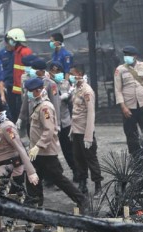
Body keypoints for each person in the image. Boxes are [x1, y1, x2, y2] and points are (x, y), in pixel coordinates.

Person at [23, 78, 88, 211]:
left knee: (58, 178)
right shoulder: (38, 103)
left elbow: (49, 130)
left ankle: (81, 199)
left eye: (29, 92)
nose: (28, 94)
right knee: (32, 175)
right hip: (38, 151)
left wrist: (38, 146)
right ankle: (35, 201)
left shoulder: (45, 107)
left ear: (37, 91)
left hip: (46, 151)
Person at [0, 98, 39, 194]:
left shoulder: (7, 127)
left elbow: (20, 148)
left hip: (13, 173)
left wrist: (31, 172)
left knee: (15, 200)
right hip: (3, 172)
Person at [114, 45, 143, 154]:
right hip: (128, 106)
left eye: (129, 55)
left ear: (135, 56)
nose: (127, 57)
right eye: (125, 55)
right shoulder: (120, 70)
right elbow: (117, 90)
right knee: (131, 134)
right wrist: (123, 107)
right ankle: (136, 157)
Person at [70, 65, 103, 195]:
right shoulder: (76, 89)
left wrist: (88, 136)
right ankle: (83, 184)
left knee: (91, 159)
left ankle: (98, 185)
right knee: (78, 158)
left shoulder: (87, 91)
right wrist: (72, 130)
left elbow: (91, 113)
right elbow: (75, 112)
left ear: (79, 73)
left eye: (72, 73)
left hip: (85, 131)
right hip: (76, 130)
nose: (70, 76)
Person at [49, 61, 78, 186]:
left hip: (65, 121)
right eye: (54, 71)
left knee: (68, 149)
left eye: (59, 71)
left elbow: (73, 100)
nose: (56, 73)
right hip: (51, 123)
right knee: (51, 151)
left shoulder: (65, 84)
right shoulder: (47, 84)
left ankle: (76, 171)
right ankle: (52, 177)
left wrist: (68, 97)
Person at [6, 28, 33, 121]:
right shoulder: (17, 52)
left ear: (15, 40)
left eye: (10, 40)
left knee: (23, 112)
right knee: (17, 111)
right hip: (17, 88)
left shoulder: (25, 52)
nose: (9, 42)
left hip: (24, 88)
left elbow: (28, 72)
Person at [0, 35, 18, 121]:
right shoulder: (0, 54)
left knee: (19, 105)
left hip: (18, 84)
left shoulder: (18, 53)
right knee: (10, 105)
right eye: (11, 41)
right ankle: (12, 122)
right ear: (6, 42)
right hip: (8, 85)